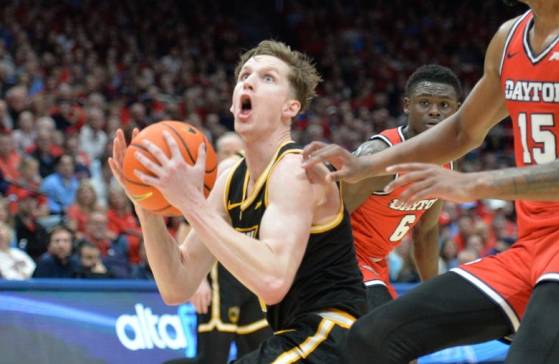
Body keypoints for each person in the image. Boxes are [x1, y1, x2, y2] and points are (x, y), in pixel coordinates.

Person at [303, 0, 559, 362]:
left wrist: (472, 186)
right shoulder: (509, 38)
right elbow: (463, 132)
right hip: (533, 246)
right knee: (373, 337)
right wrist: (367, 166)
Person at [108, 40, 366, 363]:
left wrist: (191, 202)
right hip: (295, 337)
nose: (249, 81)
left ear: (291, 107)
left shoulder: (297, 170)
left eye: (268, 77)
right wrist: (146, 205)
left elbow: (273, 281)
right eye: (245, 75)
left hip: (335, 335)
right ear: (233, 105)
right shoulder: (231, 179)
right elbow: (177, 285)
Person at [345, 64, 462, 308]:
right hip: (343, 257)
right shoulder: (381, 155)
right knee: (380, 334)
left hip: (376, 263)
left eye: (444, 105)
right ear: (407, 105)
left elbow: (427, 231)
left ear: (457, 111)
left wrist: (433, 291)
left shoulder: (446, 162)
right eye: (425, 102)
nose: (434, 112)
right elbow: (329, 214)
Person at [178, 131, 271, 364]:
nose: (232, 158)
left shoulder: (262, 182)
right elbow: (185, 229)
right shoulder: (211, 185)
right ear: (217, 156)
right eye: (227, 153)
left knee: (259, 351)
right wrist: (198, 280)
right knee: (212, 357)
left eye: (237, 152)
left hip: (251, 276)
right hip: (219, 276)